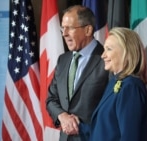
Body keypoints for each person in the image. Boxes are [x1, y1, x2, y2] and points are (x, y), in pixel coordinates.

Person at [46, 5, 109, 141]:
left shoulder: (107, 59)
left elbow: (112, 108)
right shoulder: (63, 60)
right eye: (63, 28)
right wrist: (62, 116)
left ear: (88, 30)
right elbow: (51, 99)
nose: (64, 33)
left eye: (70, 28)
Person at [79, 27, 147, 141]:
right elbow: (105, 130)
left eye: (109, 49)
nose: (103, 55)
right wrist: (77, 126)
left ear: (126, 52)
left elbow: (130, 137)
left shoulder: (131, 87)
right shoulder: (115, 81)